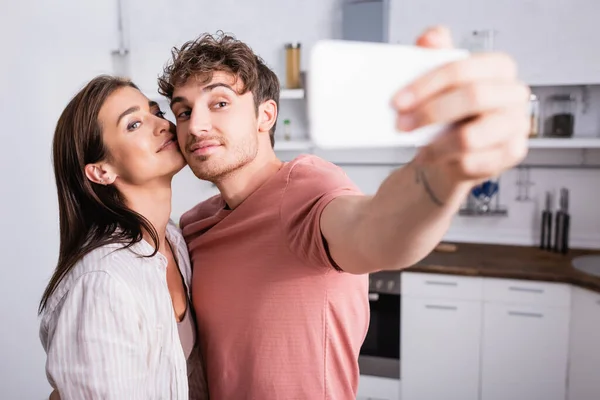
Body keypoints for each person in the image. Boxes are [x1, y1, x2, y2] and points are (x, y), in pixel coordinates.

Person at [157, 26, 529, 399]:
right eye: (184, 111)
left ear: (265, 115)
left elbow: (376, 232)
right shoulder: (195, 225)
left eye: (219, 103)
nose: (196, 125)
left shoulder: (307, 189)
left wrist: (440, 177)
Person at [38, 76, 208, 399]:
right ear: (101, 171)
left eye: (155, 112)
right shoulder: (103, 283)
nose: (161, 125)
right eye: (133, 125)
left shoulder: (174, 241)